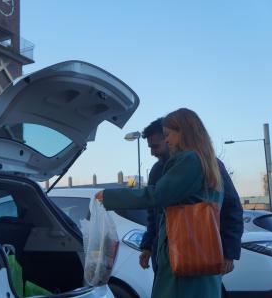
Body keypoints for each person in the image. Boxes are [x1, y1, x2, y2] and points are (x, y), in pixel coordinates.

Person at [96, 108, 225, 298]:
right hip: (200, 251)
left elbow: (157, 195)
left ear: (184, 131)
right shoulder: (207, 162)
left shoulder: (189, 160)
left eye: (168, 135)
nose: (166, 141)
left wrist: (108, 197)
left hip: (183, 252)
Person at [139, 118, 244, 281]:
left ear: (172, 138)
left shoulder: (209, 164)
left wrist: (229, 253)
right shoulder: (157, 171)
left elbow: (232, 208)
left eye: (155, 146)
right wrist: (147, 247)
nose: (152, 153)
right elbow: (154, 214)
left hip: (200, 256)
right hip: (166, 259)